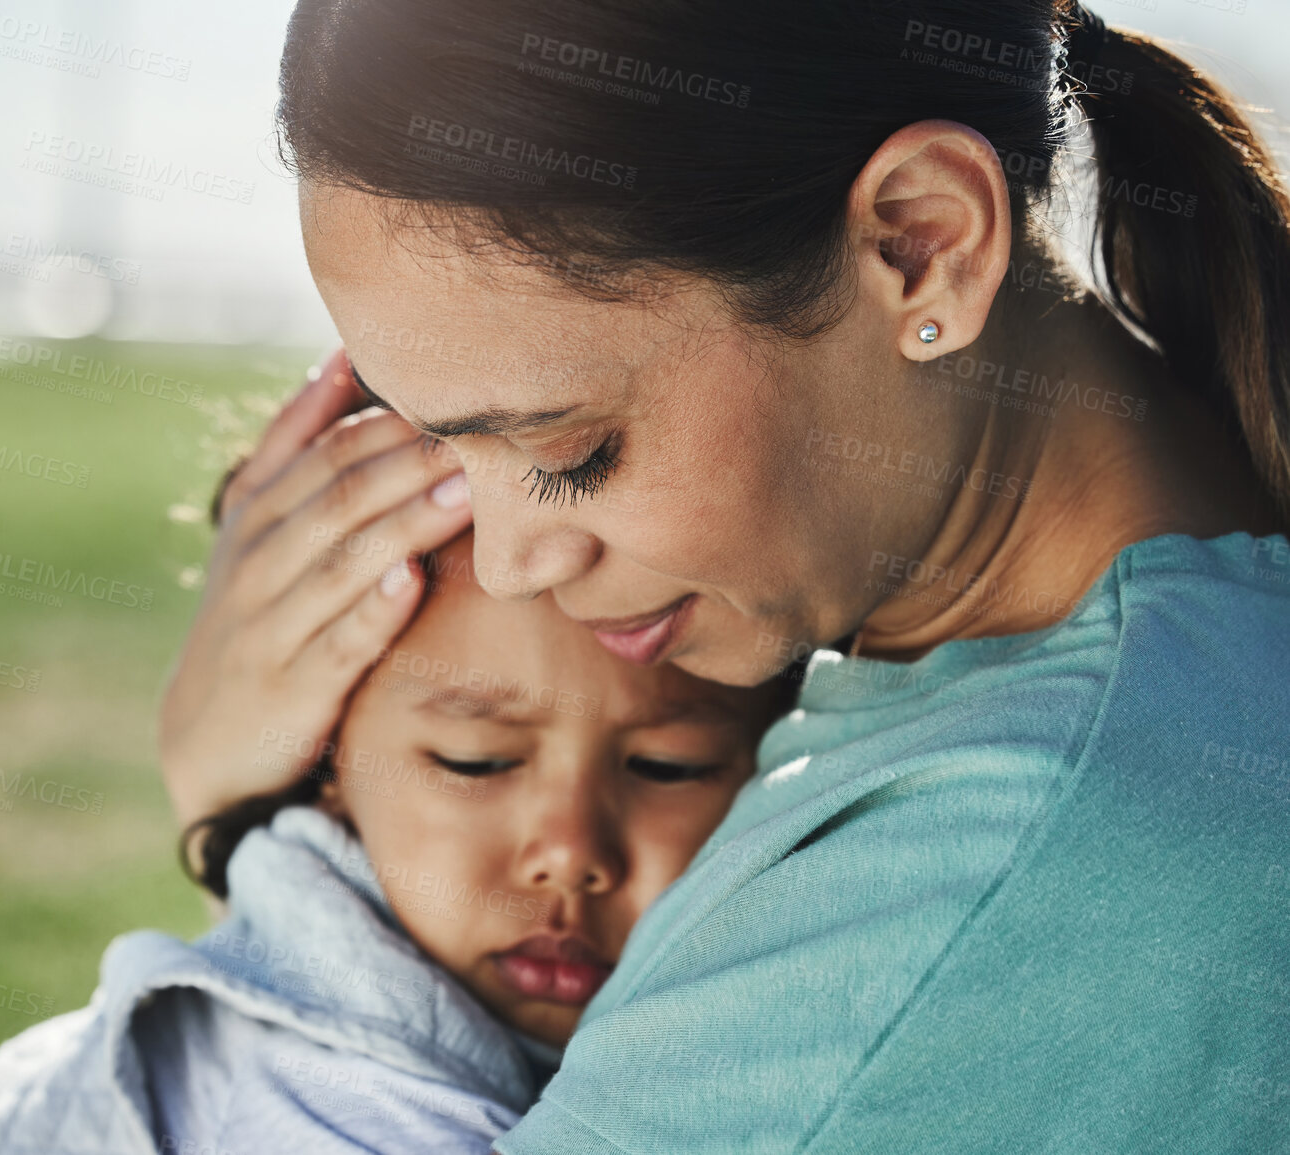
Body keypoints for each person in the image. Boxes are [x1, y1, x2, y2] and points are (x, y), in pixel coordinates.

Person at [161, 1, 1290, 1150]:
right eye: (440, 443)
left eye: (569, 451)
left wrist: (232, 823)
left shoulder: (993, 868)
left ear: (922, 242)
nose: (507, 567)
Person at [0, 531, 786, 1154]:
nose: (567, 850)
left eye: (670, 766)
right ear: (328, 755)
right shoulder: (332, 1103)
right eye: (474, 761)